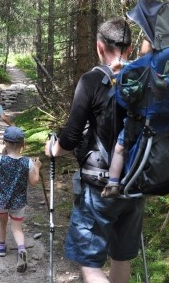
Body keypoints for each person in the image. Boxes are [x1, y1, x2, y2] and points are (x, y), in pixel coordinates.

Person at [45, 18, 145, 283]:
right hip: (137, 180)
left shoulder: (92, 80)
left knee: (89, 262)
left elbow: (71, 136)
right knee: (121, 257)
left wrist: (53, 150)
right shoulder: (146, 79)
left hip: (100, 185)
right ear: (130, 47)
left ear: (100, 47)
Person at [102, 37, 152, 198]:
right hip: (160, 121)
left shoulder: (140, 66)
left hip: (138, 120)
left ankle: (113, 183)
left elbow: (126, 92)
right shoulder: (167, 67)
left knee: (120, 148)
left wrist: (115, 71)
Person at [0, 126, 41, 273]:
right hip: (19, 201)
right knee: (17, 227)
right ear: (23, 145)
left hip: (2, 199)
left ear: (4, 143)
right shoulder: (27, 162)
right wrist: (37, 167)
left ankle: (1, 247)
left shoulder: (2, 159)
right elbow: (34, 181)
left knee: (2, 221)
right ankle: (21, 248)